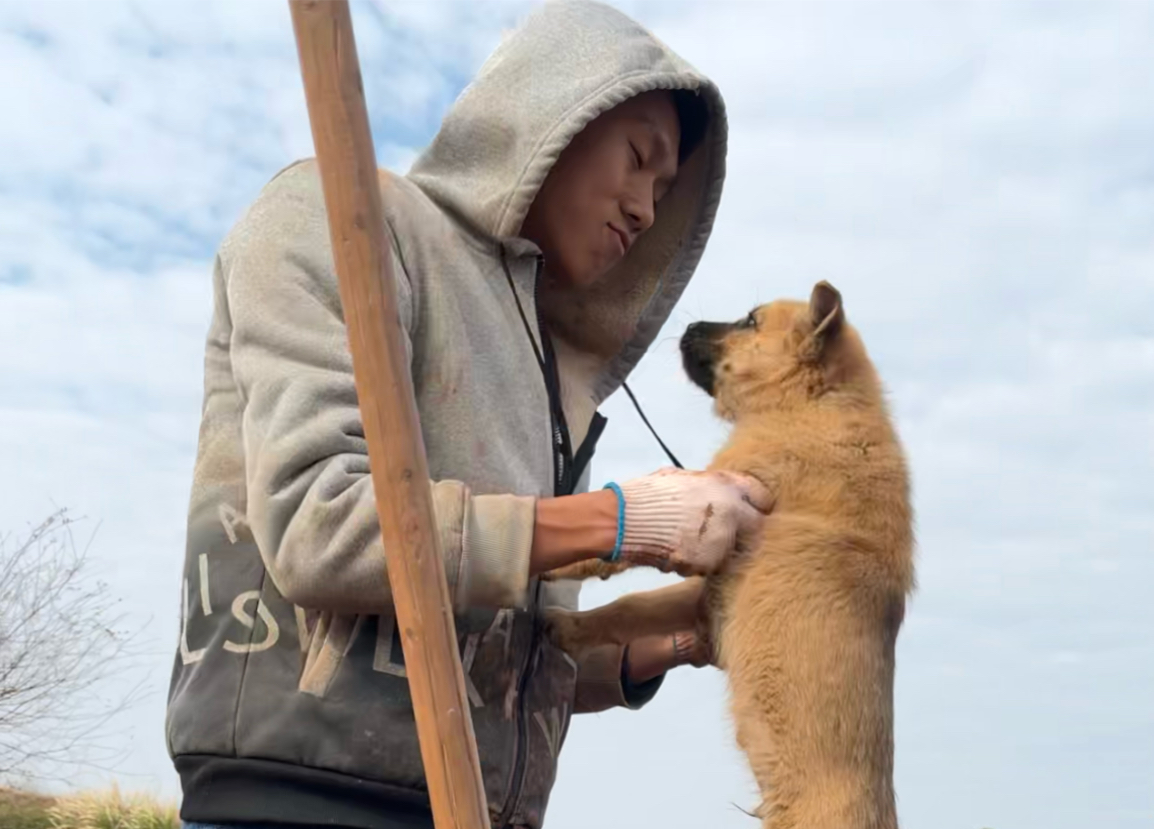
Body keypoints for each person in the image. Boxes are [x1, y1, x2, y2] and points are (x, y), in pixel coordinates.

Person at [165, 2, 768, 828]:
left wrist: (681, 643)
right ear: (554, 113)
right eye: (637, 159)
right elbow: (321, 529)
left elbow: (509, 655)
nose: (644, 207)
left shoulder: (553, 378)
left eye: (665, 192)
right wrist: (621, 520)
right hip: (302, 806)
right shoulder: (343, 219)